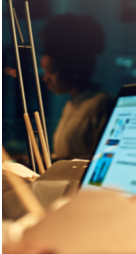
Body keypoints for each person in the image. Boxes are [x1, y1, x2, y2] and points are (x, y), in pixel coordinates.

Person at [40, 14, 113, 160]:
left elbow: (104, 156)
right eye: (45, 71)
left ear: (72, 67)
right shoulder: (72, 105)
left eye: (52, 70)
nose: (45, 78)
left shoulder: (101, 104)